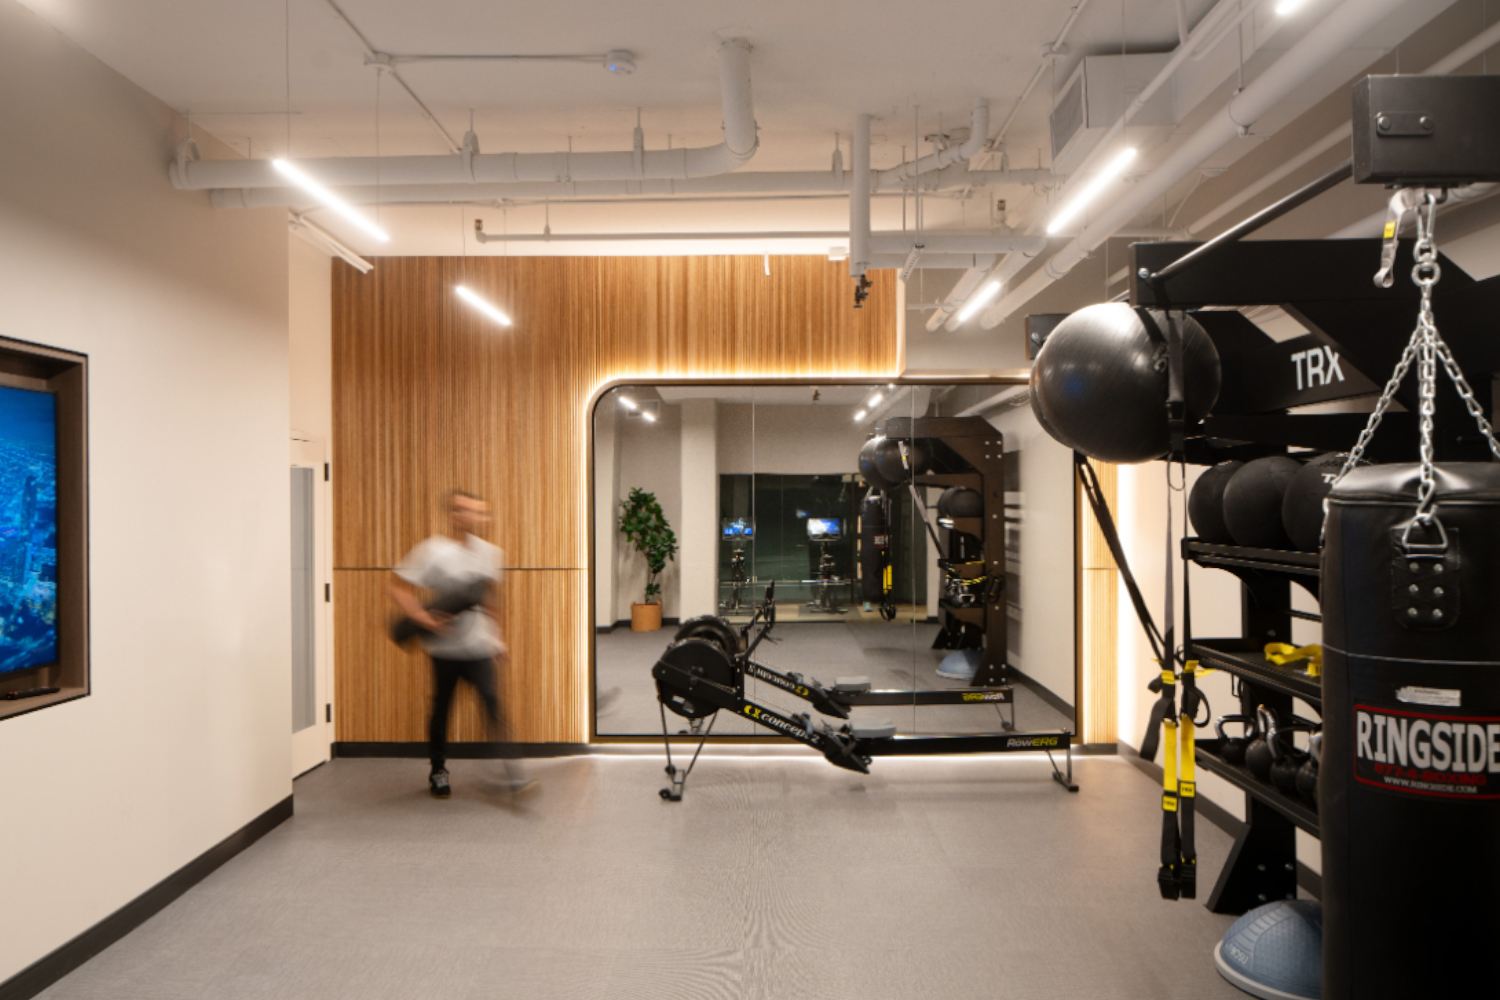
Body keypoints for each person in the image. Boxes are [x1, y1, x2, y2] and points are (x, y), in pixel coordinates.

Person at [390, 489, 523, 797]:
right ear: (452, 515)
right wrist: (423, 619)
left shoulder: (490, 553)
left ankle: (513, 772)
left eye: (478, 511)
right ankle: (438, 769)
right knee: (441, 709)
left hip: (479, 646)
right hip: (444, 649)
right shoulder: (432, 550)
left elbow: (490, 598)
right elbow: (398, 588)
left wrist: (498, 638)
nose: (472, 516)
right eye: (464, 510)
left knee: (492, 704)